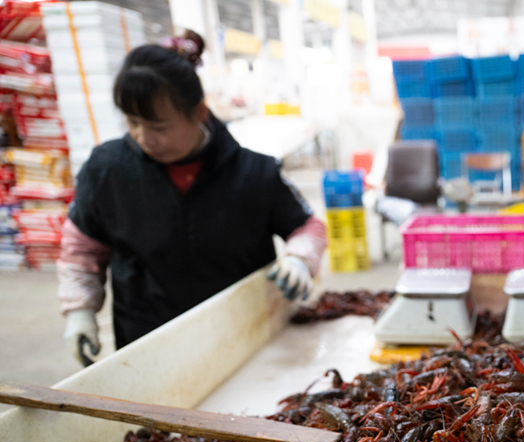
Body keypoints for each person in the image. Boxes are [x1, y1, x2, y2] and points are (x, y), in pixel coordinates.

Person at [58, 31, 327, 364]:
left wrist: (299, 258)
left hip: (244, 336)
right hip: (148, 342)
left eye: (159, 127)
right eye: (133, 123)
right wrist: (80, 311)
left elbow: (307, 227)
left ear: (200, 112)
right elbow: (83, 248)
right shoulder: (107, 170)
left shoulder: (254, 172)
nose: (144, 137)